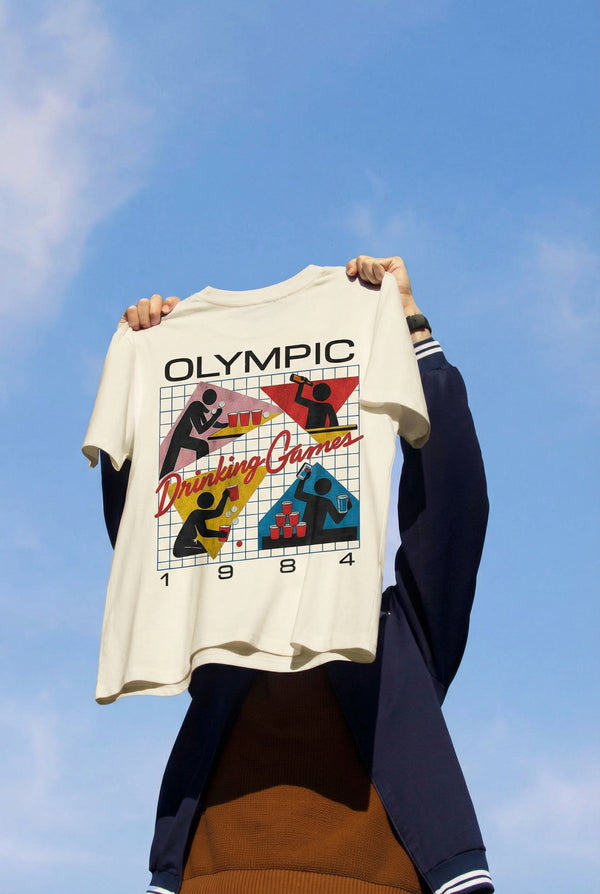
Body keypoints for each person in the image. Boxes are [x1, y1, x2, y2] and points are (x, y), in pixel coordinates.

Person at [104, 256, 493, 894]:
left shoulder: (400, 640)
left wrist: (412, 331)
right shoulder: (217, 630)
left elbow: (454, 511)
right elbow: (149, 543)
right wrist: (149, 382)